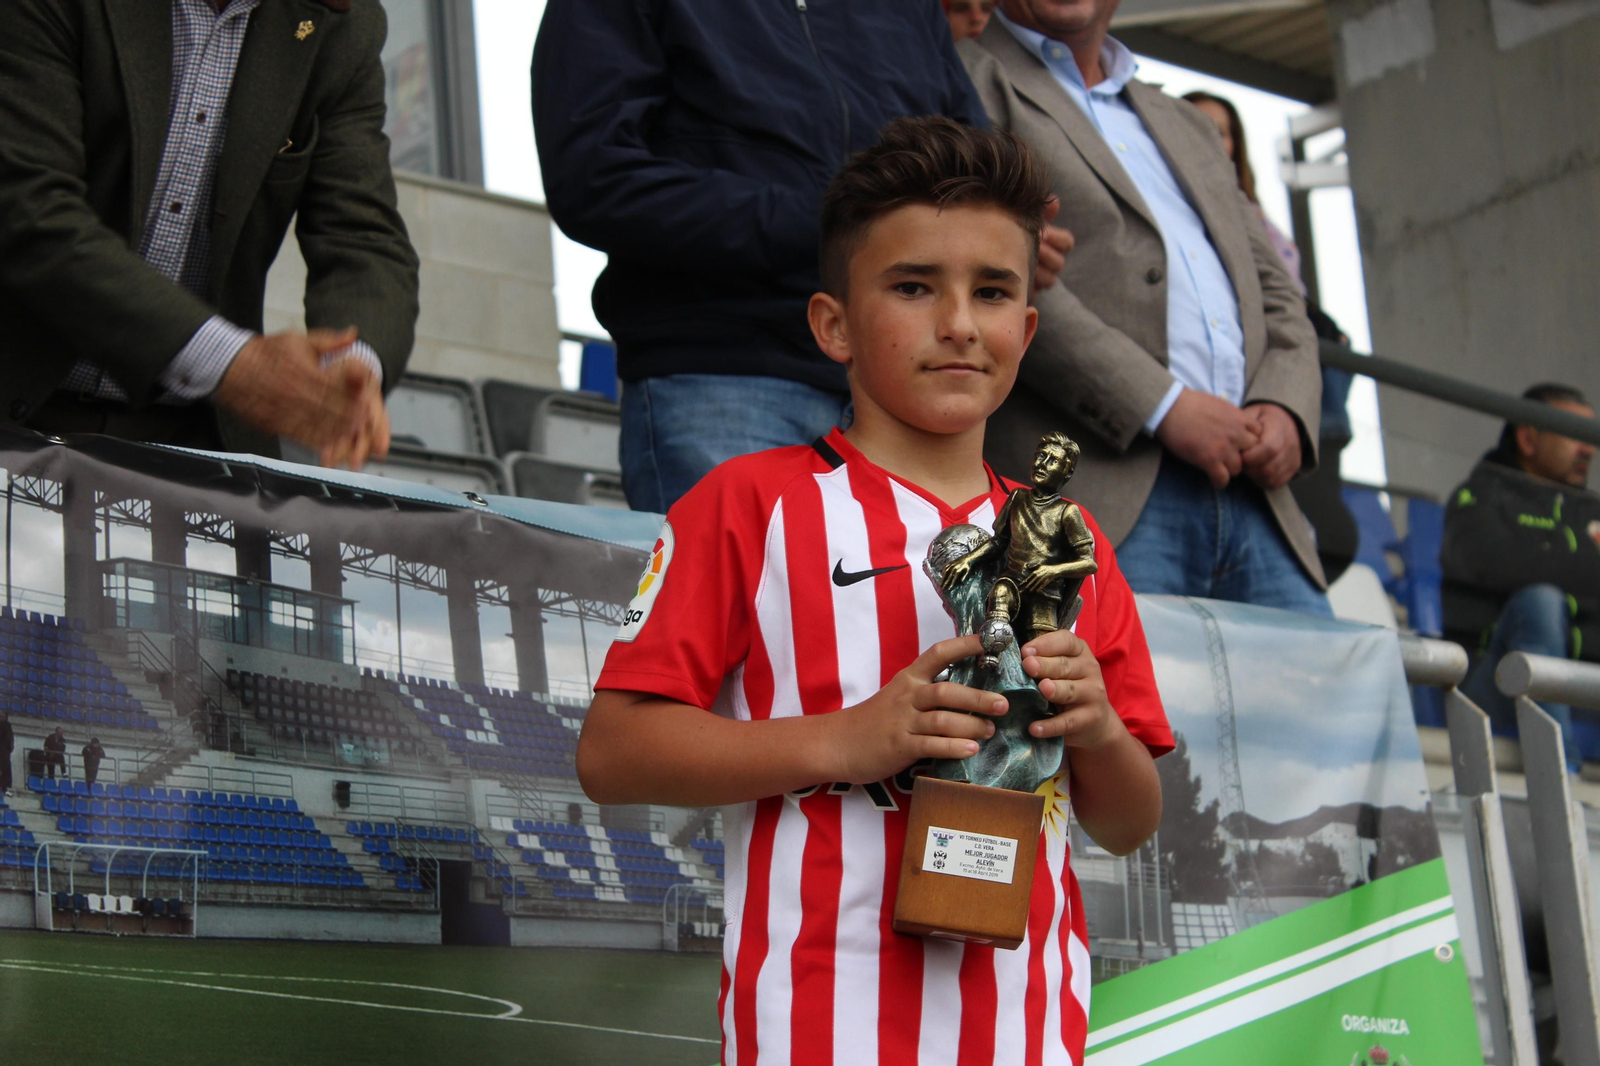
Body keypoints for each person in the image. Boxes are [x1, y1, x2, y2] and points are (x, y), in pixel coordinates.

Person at [579, 117, 1171, 1060]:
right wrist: (843, 740)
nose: (958, 324)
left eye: (991, 292)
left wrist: (1096, 729)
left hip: (1027, 1029)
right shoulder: (748, 505)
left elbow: (1130, 821)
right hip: (817, 1024)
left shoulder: (1073, 538)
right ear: (834, 326)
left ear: (1026, 330)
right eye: (912, 287)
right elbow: (613, 753)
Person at [532, 0, 990, 514]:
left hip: (902, 385)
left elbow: (973, 166)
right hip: (725, 369)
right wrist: (829, 222)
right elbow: (593, 177)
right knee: (744, 596)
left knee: (909, 598)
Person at [959, 1, 1331, 615]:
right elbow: (993, 283)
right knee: (1117, 713)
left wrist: (1288, 404)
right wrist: (1162, 404)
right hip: (1100, 494)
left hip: (1261, 494)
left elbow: (1275, 286)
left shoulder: (1185, 121)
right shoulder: (967, 83)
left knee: (1321, 711)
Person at [0, 0, 420, 467]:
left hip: (196, 434)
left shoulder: (341, 22)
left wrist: (350, 370)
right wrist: (234, 365)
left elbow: (364, 235)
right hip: (20, 401)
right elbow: (29, 208)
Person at [1183, 89, 1359, 583]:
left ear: (1237, 144)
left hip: (1288, 368)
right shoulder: (1174, 213)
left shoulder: (1254, 215)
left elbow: (1286, 298)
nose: (1208, 139)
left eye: (1219, 131)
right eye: (1195, 125)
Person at [1443, 383, 1600, 772]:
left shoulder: (1588, 508)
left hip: (1587, 687)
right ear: (1528, 438)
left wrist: (1553, 559)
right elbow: (1491, 563)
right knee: (1539, 601)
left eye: (1592, 438)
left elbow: (1528, 563)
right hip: (1489, 688)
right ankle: (1564, 782)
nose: (1589, 449)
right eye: (1575, 436)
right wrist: (1588, 555)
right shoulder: (1480, 495)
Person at [0, 711, 12, 796]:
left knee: (5, 770)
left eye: (3, 716)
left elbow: (10, 739)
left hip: (4, 752)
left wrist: (9, 749)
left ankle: (4, 788)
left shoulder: (8, 726)